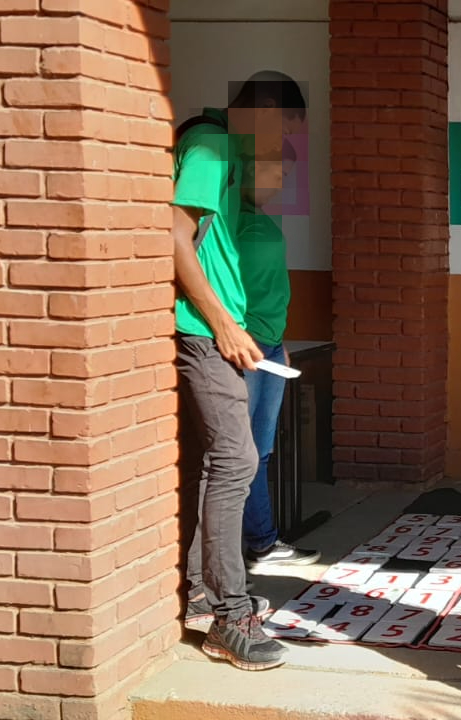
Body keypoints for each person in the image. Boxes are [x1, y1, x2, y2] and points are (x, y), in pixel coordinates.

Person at [172, 70, 305, 671]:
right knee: (236, 461)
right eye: (283, 131)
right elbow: (174, 237)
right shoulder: (211, 145)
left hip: (225, 332)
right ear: (264, 111)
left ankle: (204, 594)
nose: (280, 147)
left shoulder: (224, 152)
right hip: (204, 332)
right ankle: (230, 616)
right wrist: (223, 323)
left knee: (221, 463)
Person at [237, 138, 321, 571]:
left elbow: (268, 287)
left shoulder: (260, 218)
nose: (279, 183)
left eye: (285, 176)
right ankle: (252, 545)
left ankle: (262, 542)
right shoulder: (225, 218)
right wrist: (238, 335)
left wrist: (278, 340)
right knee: (241, 453)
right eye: (273, 172)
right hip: (244, 347)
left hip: (269, 345)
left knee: (262, 450)